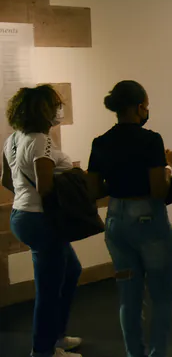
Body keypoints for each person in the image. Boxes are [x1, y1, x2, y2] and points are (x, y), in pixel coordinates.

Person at [87, 81, 172, 357]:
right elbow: (159, 190)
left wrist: (116, 185)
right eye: (146, 105)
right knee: (161, 295)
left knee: (128, 296)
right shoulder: (151, 140)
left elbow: (93, 189)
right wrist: (167, 165)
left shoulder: (100, 142)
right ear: (139, 107)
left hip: (116, 221)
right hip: (148, 220)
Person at [2, 85, 83, 357]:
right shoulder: (42, 141)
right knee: (48, 290)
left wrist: (26, 200)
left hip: (21, 215)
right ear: (43, 110)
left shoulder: (12, 139)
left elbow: (6, 180)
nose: (57, 112)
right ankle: (44, 350)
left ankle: (55, 336)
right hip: (41, 220)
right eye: (53, 106)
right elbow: (45, 185)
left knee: (71, 270)